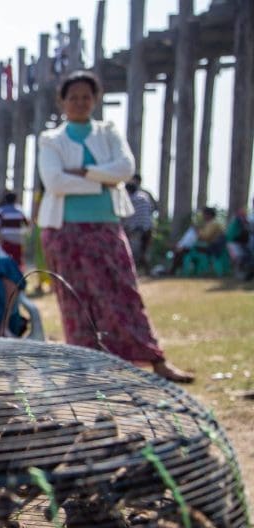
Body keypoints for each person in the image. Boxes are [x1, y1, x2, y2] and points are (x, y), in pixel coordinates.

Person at [36, 70, 194, 383]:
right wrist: (102, 180)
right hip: (63, 231)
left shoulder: (108, 132)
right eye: (73, 97)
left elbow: (124, 168)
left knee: (123, 294)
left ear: (95, 99)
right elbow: (53, 180)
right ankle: (86, 367)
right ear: (62, 101)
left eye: (86, 96)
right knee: (76, 299)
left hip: (106, 227)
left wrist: (82, 172)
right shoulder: (51, 139)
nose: (80, 103)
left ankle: (153, 357)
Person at [168, 206, 226, 276]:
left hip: (212, 248)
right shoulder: (210, 224)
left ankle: (174, 268)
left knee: (183, 250)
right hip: (210, 246)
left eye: (204, 214)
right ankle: (180, 250)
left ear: (209, 215)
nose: (203, 216)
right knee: (182, 250)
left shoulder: (213, 224)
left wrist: (197, 231)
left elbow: (206, 236)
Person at [123, 174, 157, 274]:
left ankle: (132, 272)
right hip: (149, 227)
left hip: (136, 229)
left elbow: (126, 216)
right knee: (145, 251)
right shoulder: (145, 195)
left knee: (134, 252)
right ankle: (147, 271)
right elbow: (153, 208)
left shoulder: (129, 199)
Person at [0, 190, 30, 267]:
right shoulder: (20, 210)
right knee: (17, 260)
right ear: (15, 199)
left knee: (5, 259)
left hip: (5, 239)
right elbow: (27, 224)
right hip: (18, 240)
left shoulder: (1, 210)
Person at [225, 198, 253, 279]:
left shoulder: (245, 217)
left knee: (244, 257)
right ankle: (240, 274)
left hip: (241, 242)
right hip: (235, 242)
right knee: (240, 258)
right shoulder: (243, 218)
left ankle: (243, 273)